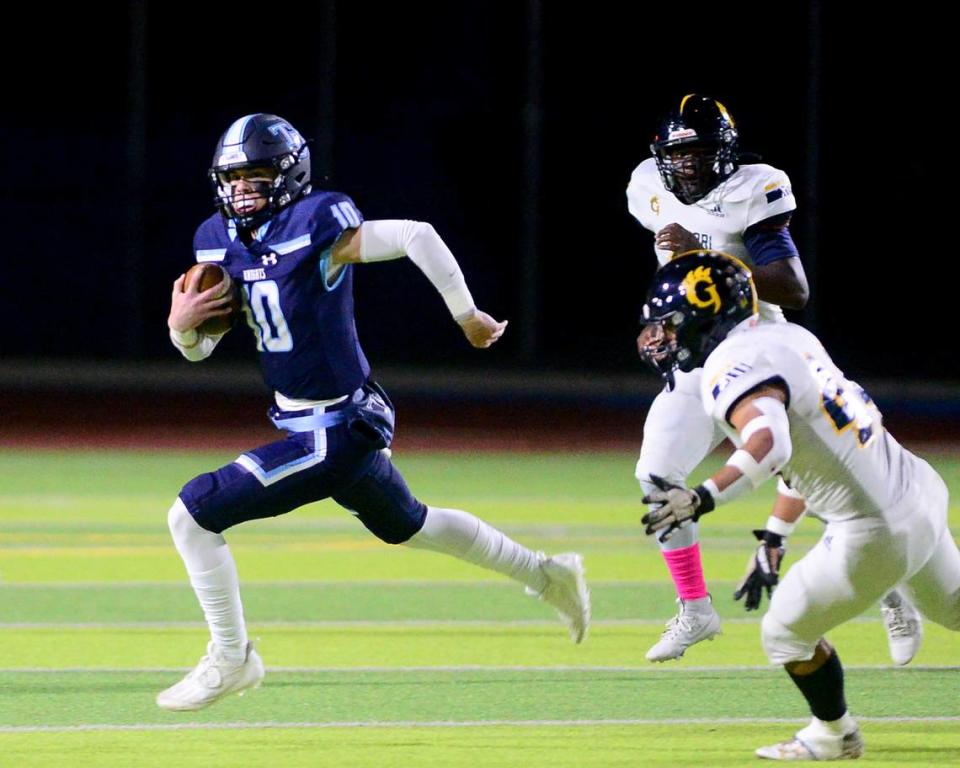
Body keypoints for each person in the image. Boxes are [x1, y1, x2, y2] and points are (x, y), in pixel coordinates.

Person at [157, 113, 590, 712]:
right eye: (232, 179)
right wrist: (182, 330)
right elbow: (200, 349)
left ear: (287, 175)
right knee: (412, 524)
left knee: (192, 514)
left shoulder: (316, 223)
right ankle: (548, 573)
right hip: (318, 422)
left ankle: (233, 659)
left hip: (334, 427)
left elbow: (417, 235)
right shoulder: (218, 240)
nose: (241, 191)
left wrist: (467, 316)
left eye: (255, 177)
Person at [625, 94, 921, 664]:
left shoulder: (753, 188)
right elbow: (678, 276)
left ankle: (891, 582)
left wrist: (707, 253)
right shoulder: (646, 186)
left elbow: (793, 287)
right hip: (695, 350)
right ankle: (696, 609)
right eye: (680, 154)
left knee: (819, 472)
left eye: (703, 153)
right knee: (655, 473)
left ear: (727, 152)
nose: (689, 165)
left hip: (756, 345)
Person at [637, 251, 960, 760]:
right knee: (956, 609)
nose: (662, 338)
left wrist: (703, 495)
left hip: (876, 530)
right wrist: (774, 537)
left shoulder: (729, 366)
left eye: (672, 325)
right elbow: (814, 449)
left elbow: (771, 444)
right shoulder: (789, 337)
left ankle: (833, 734)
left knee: (785, 633)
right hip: (915, 488)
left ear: (706, 317)